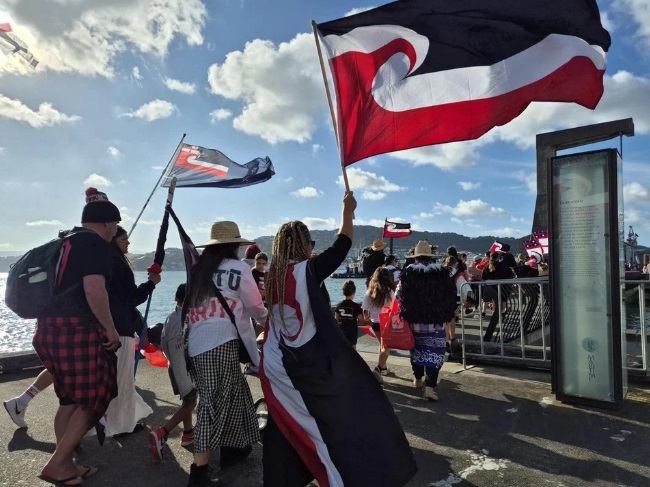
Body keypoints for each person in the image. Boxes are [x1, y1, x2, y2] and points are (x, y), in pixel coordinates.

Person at [260, 191, 417, 487]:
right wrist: (347, 210)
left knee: (286, 425)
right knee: (337, 416)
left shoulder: (273, 276)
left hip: (275, 364)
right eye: (310, 243)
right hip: (304, 366)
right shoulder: (307, 271)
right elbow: (342, 244)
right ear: (304, 244)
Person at [31, 187, 122, 486]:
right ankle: (58, 464)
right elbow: (94, 290)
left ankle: (67, 464)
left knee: (69, 399)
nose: (115, 233)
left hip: (46, 329)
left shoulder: (64, 241)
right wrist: (110, 329)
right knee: (97, 395)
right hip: (75, 329)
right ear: (108, 223)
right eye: (116, 227)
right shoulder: (95, 244)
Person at [185, 221, 267, 487]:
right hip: (223, 342)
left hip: (196, 344)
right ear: (234, 245)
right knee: (214, 403)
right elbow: (255, 308)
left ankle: (236, 446)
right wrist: (273, 319)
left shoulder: (199, 271)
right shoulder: (239, 268)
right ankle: (199, 471)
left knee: (236, 391)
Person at [103, 225, 160, 438]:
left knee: (114, 378)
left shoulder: (103, 263)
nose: (128, 243)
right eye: (124, 239)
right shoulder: (118, 264)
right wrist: (151, 284)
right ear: (113, 240)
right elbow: (131, 299)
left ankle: (110, 420)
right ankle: (122, 424)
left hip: (107, 326)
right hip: (121, 330)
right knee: (124, 378)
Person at [397, 240, 457, 401]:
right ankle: (430, 388)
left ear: (415, 257)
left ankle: (417, 380)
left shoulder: (408, 272)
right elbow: (451, 294)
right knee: (435, 353)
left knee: (416, 351)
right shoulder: (442, 272)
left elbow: (399, 296)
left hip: (414, 320)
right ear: (431, 257)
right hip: (436, 322)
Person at [149, 284, 197, 461]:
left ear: (176, 298)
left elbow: (164, 345)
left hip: (174, 368)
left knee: (187, 401)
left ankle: (188, 433)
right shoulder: (192, 318)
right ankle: (163, 432)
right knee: (190, 404)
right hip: (187, 369)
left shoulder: (170, 319)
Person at [362, 267, 396, 383]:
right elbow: (394, 308)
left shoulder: (369, 292)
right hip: (387, 323)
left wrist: (367, 318)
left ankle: (384, 367)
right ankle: (378, 369)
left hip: (375, 323)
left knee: (381, 345)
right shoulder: (390, 292)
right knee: (387, 347)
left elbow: (365, 310)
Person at [333, 280, 364, 349]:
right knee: (353, 350)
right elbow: (361, 319)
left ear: (343, 292)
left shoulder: (339, 305)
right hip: (352, 332)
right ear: (353, 293)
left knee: (342, 349)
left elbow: (336, 320)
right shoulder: (355, 306)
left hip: (342, 331)